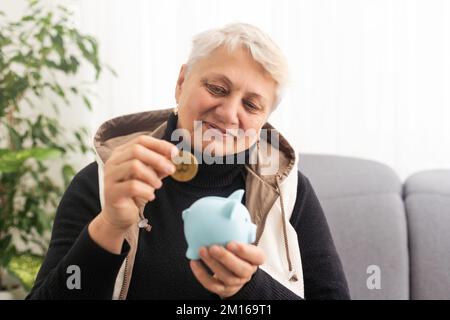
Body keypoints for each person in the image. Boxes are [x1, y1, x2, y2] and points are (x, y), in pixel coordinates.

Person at [27, 23, 350, 300]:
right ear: (182, 82)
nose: (228, 113)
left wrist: (249, 288)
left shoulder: (289, 192)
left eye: (251, 105)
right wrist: (109, 224)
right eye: (216, 88)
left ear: (264, 119)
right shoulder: (105, 181)